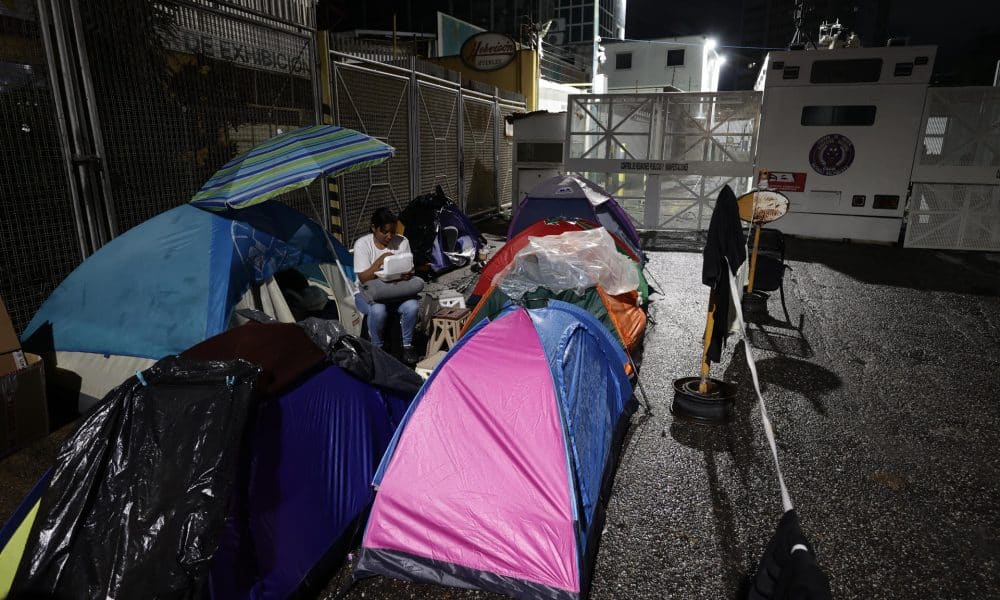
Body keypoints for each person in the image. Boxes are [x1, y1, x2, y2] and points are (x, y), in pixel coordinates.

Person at [353, 207, 421, 365]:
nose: (389, 236)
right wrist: (380, 261)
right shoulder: (363, 244)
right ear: (373, 228)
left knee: (412, 306)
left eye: (392, 232)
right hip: (369, 293)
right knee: (378, 310)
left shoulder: (402, 242)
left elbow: (410, 268)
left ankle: (407, 345)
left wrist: (407, 274)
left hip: (396, 291)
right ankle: (377, 348)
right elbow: (363, 278)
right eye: (385, 232)